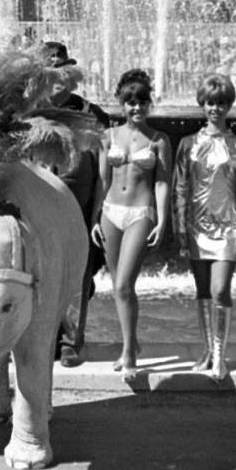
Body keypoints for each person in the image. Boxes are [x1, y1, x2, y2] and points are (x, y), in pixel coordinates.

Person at [173, 74, 236, 379]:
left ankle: (221, 355)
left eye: (221, 102)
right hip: (196, 226)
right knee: (203, 291)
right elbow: (180, 186)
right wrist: (180, 227)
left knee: (221, 290)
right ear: (202, 104)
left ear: (229, 105)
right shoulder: (188, 144)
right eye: (210, 102)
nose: (215, 108)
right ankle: (207, 350)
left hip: (228, 226)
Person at [91, 69, 171, 381]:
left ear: (150, 104)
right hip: (111, 212)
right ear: (121, 104)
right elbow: (102, 180)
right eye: (130, 103)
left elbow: (163, 182)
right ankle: (131, 342)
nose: (136, 108)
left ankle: (127, 352)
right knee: (118, 287)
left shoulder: (159, 140)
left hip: (140, 212)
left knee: (124, 284)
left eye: (142, 102)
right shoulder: (108, 137)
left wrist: (162, 218)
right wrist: (96, 217)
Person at [41, 41, 110, 368]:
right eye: (50, 69)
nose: (57, 75)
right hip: (40, 204)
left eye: (62, 68)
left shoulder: (92, 114)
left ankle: (70, 341)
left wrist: (98, 210)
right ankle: (45, 337)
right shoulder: (30, 112)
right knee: (41, 271)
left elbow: (103, 168)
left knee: (79, 272)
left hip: (80, 207)